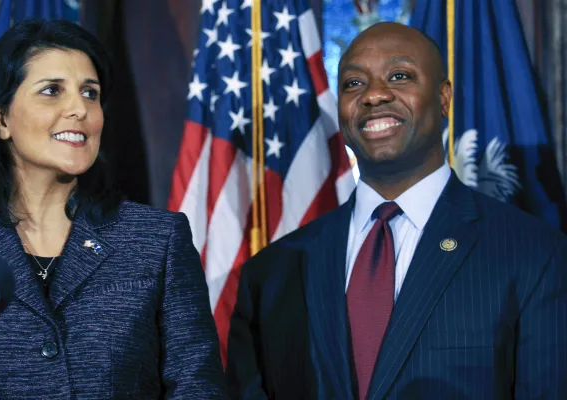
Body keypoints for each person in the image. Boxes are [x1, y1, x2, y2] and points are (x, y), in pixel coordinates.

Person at [0, 20, 227, 399]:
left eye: (90, 94)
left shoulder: (157, 240)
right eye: (52, 91)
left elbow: (198, 387)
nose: (79, 109)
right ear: (1, 120)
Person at [225, 21, 567, 399]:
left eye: (399, 76)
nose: (373, 96)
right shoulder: (271, 272)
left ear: (444, 99)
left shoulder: (535, 253)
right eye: (353, 84)